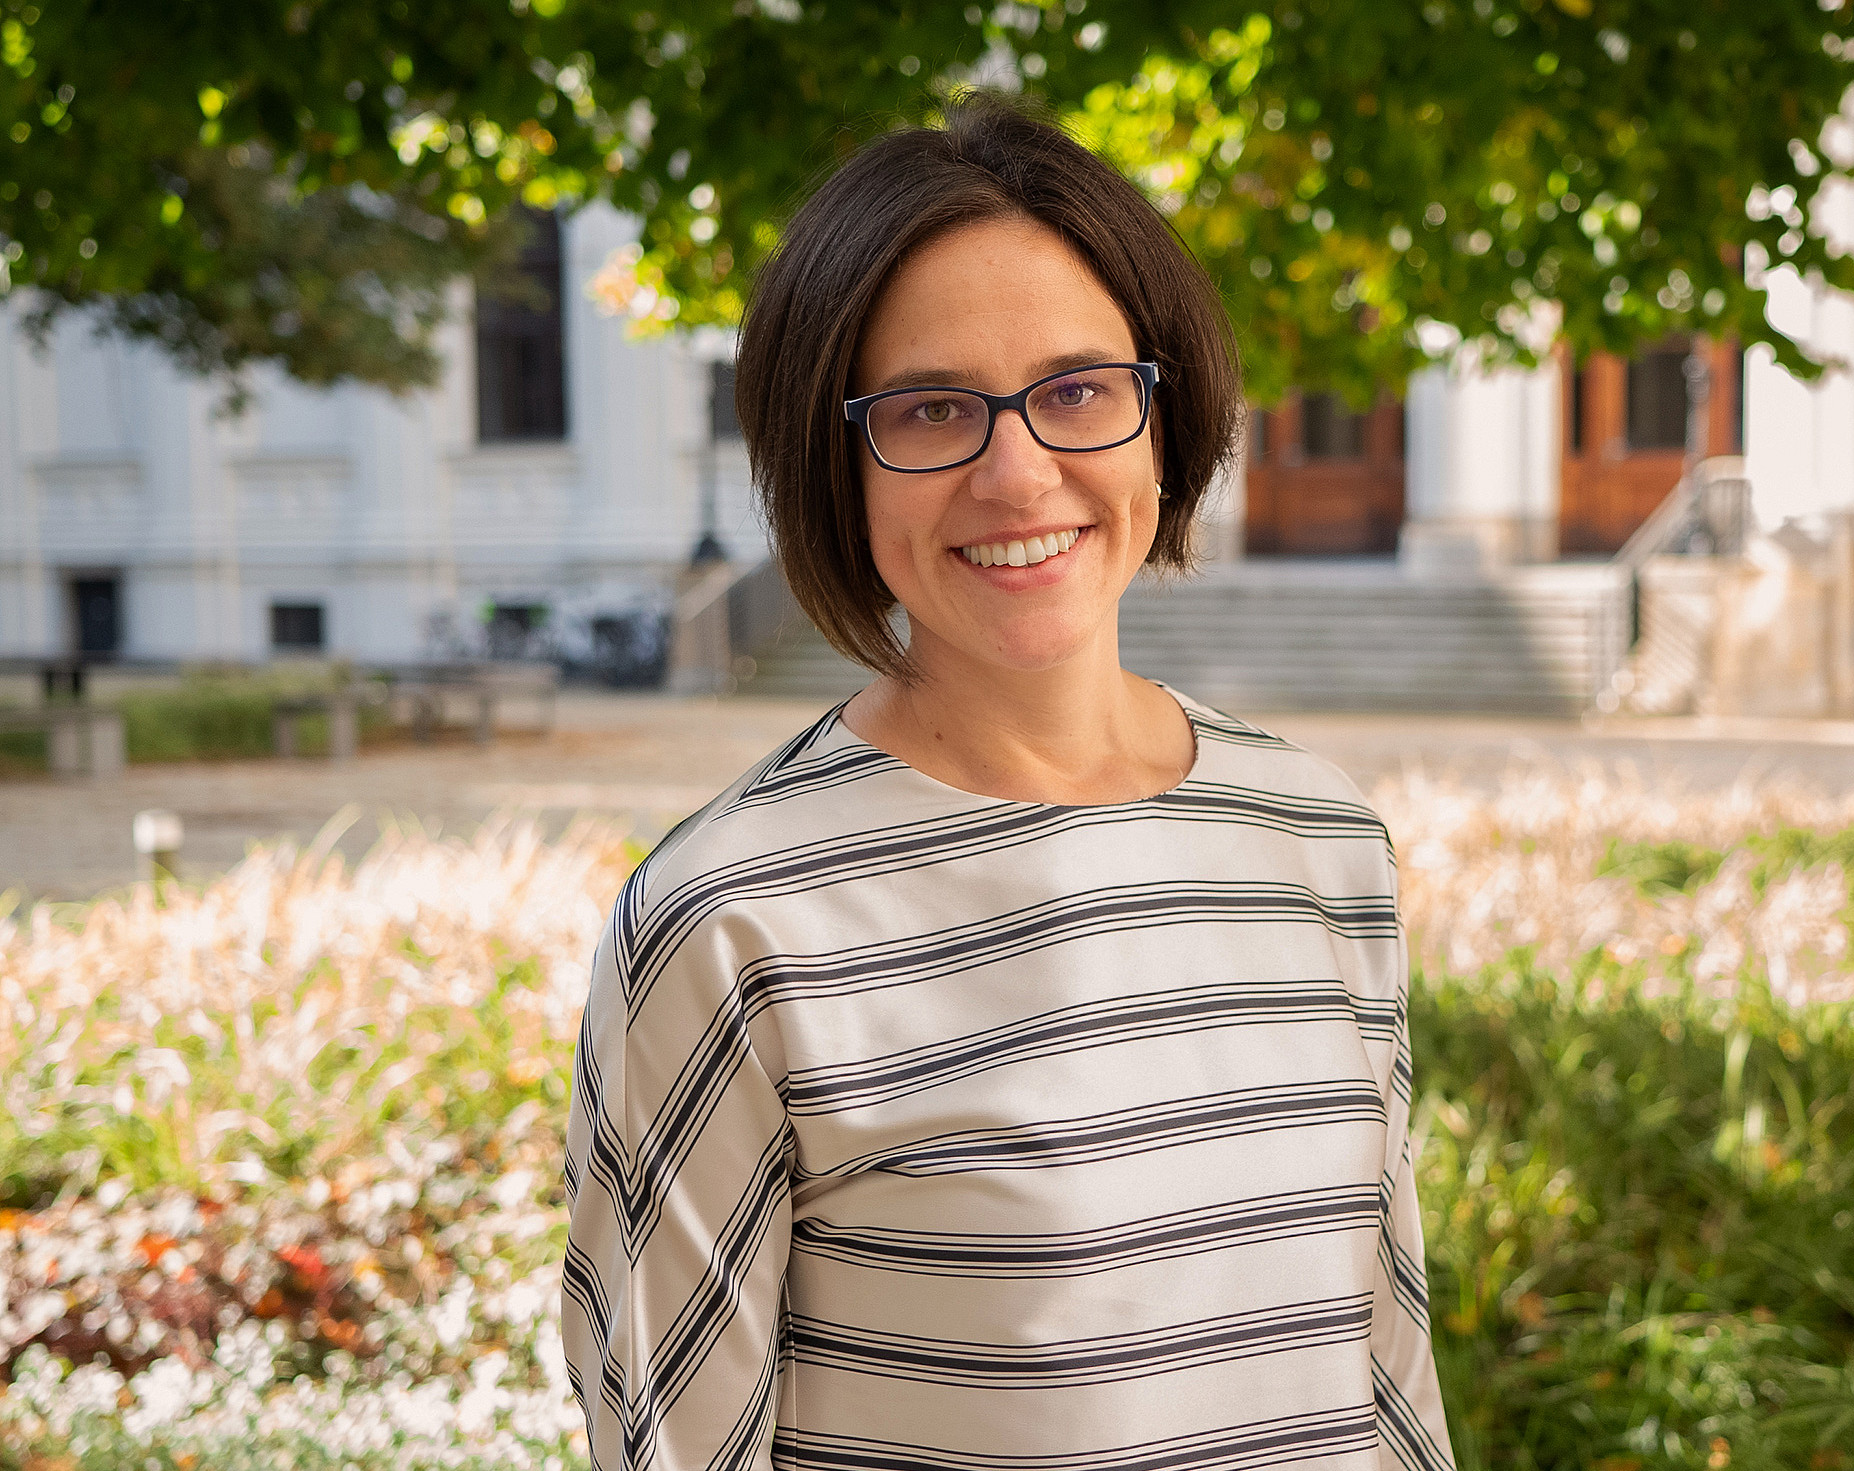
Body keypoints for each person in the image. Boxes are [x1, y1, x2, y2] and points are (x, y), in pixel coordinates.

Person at [562, 97, 1456, 1471]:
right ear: (834, 463)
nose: (1019, 471)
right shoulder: (728, 923)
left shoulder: (1317, 837)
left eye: (1078, 390)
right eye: (930, 409)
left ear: (1163, 415)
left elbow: (1389, 1379)